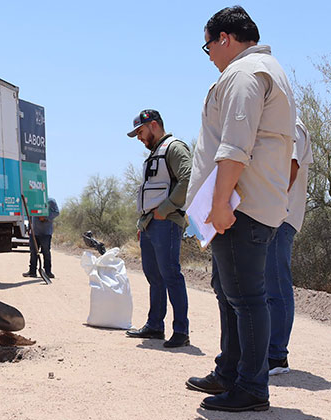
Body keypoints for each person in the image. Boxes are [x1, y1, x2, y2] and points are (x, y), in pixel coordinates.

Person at [184, 6, 296, 412]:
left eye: (208, 46)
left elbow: (235, 146)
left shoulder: (244, 74)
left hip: (237, 205)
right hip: (243, 204)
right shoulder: (264, 69)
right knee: (230, 293)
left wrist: (218, 207)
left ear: (224, 39)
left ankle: (251, 387)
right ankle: (230, 371)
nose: (210, 54)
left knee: (247, 298)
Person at [124, 109, 192, 348]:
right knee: (154, 277)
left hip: (167, 222)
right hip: (151, 224)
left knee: (171, 275)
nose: (140, 138)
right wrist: (144, 222)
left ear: (153, 125)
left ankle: (181, 331)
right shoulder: (155, 153)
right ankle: (155, 326)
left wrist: (166, 208)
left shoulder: (174, 147)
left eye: (141, 132)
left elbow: (187, 179)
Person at [265, 117, 313, 375]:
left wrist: (272, 205)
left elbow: (291, 168)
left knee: (276, 286)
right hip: (272, 216)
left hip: (280, 218)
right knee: (267, 288)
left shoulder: (291, 123)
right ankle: (269, 352)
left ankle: (277, 356)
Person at [22, 197, 60, 279]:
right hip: (34, 232)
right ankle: (32, 271)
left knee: (46, 252)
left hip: (46, 232)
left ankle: (48, 272)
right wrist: (29, 228)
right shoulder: (34, 201)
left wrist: (45, 217)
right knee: (33, 252)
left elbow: (56, 212)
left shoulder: (51, 201)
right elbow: (30, 215)